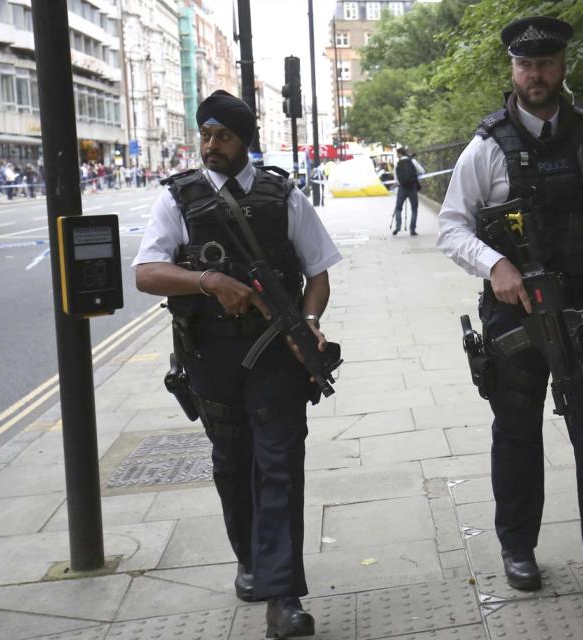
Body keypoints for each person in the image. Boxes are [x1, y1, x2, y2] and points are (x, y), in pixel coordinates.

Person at [437, 16, 583, 606]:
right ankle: (517, 547)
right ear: (512, 70)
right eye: (526, 65)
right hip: (515, 308)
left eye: (547, 63)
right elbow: (451, 228)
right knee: (515, 429)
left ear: (562, 68)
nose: (537, 74)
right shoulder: (486, 146)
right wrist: (496, 267)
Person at [133, 90, 342, 639]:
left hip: (275, 352)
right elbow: (146, 272)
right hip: (210, 354)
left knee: (279, 463)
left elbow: (318, 271)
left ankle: (283, 594)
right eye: (205, 135)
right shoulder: (178, 198)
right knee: (232, 462)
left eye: (221, 136)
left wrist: (310, 320)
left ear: (243, 140)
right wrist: (208, 281)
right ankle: (251, 558)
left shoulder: (282, 195)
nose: (210, 145)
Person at [392, 147, 424, 236]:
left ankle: (398, 227)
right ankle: (412, 229)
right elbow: (422, 171)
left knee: (398, 208)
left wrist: (401, 183)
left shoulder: (397, 164)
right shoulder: (412, 161)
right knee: (414, 209)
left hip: (402, 188)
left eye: (397, 154)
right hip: (412, 188)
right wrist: (414, 176)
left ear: (399, 154)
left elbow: (396, 179)